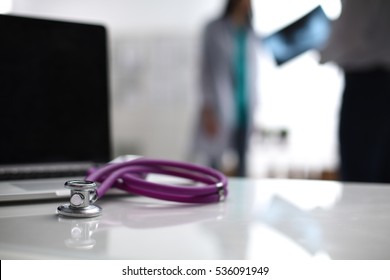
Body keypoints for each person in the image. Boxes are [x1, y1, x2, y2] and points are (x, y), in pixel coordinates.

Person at [321, 0, 390, 183]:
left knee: (358, 175)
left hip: (367, 84)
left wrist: (323, 48)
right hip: (374, 81)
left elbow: (352, 33)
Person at [192, 0, 258, 177]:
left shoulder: (250, 32)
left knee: (243, 164)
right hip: (219, 107)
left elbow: (254, 74)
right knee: (213, 165)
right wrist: (207, 107)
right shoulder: (213, 29)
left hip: (244, 108)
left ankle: (244, 204)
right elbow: (205, 71)